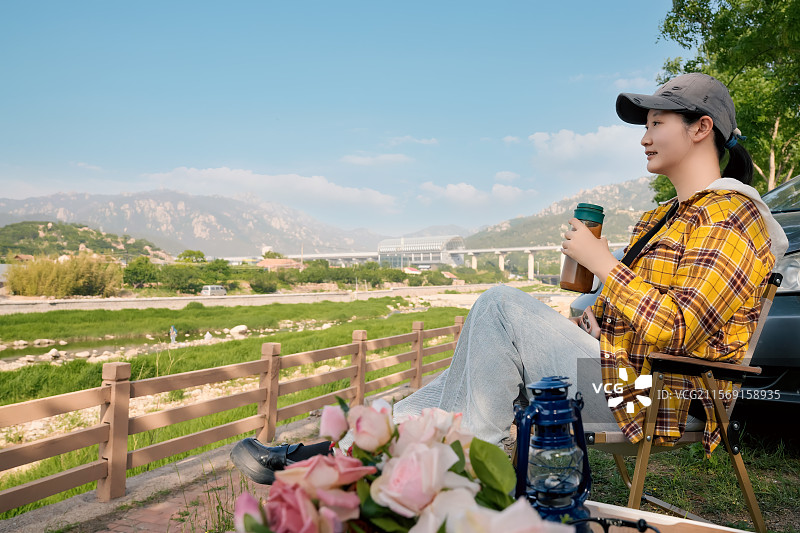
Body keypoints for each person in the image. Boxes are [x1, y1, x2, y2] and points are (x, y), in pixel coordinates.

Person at [230, 73, 788, 483]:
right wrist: (595, 313)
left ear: (701, 129)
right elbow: (641, 312)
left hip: (661, 393)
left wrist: (603, 265)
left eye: (656, 123)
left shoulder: (732, 216)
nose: (644, 136)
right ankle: (331, 453)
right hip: (625, 375)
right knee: (459, 379)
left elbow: (680, 328)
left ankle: (476, 471)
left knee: (498, 305)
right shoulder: (660, 218)